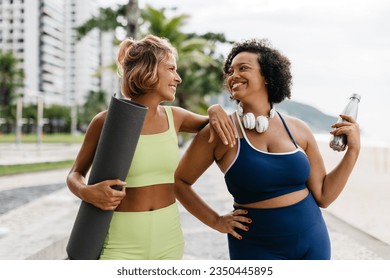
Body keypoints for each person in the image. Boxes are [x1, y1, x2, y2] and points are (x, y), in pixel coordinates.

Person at [174, 38, 361, 260]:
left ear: (267, 76)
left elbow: (324, 196)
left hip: (313, 240)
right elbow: (180, 182)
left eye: (243, 68)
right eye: (231, 70)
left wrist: (353, 151)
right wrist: (216, 221)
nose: (234, 75)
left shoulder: (298, 129)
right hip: (255, 247)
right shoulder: (221, 132)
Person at [66, 34, 235, 260]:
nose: (178, 78)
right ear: (149, 70)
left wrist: (215, 108)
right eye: (171, 69)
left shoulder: (176, 117)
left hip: (169, 239)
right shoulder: (106, 121)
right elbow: (74, 174)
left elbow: (218, 123)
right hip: (120, 244)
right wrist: (87, 192)